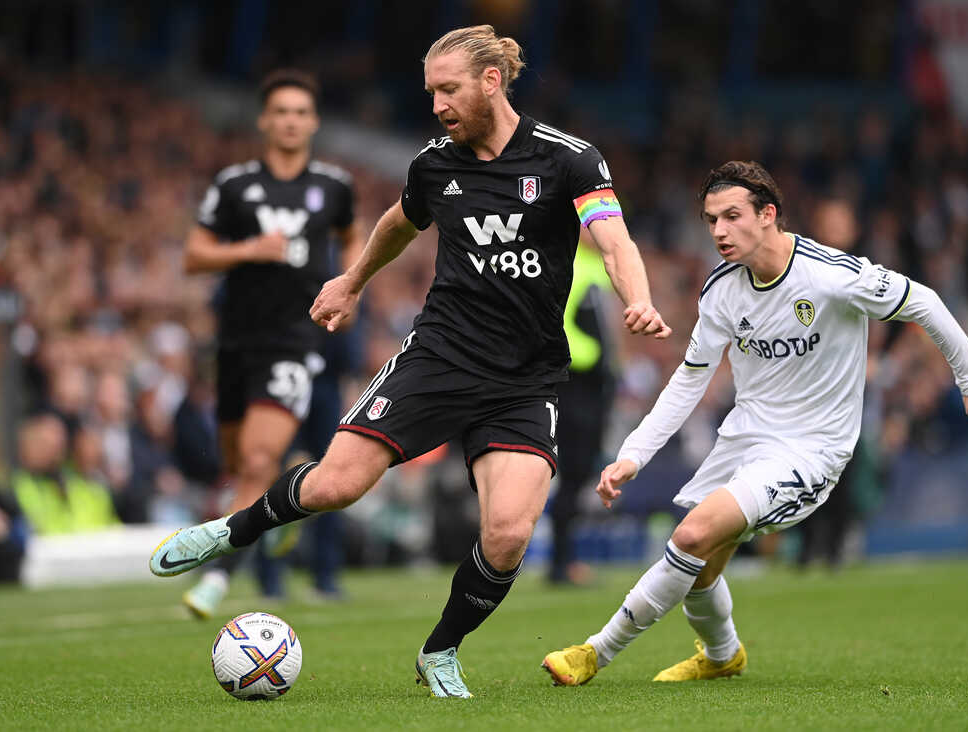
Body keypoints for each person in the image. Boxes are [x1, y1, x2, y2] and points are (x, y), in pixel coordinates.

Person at [151, 25, 672, 699]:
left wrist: (639, 300)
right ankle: (232, 531)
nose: (436, 104)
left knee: (509, 534)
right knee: (336, 486)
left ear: (491, 81)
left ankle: (440, 650)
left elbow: (613, 237)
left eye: (448, 89)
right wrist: (352, 281)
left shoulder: (568, 159)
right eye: (430, 92)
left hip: (525, 377)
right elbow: (399, 221)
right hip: (440, 356)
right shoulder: (435, 165)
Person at [541, 161, 968, 686]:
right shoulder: (720, 290)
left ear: (768, 214)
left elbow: (924, 302)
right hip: (745, 441)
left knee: (691, 535)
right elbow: (690, 380)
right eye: (711, 219)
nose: (718, 231)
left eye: (732, 216)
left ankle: (594, 653)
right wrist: (633, 454)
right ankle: (723, 655)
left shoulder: (833, 275)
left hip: (811, 450)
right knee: (700, 565)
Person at [178, 68, 362, 618]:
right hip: (235, 341)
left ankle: (216, 578)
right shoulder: (234, 184)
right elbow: (193, 255)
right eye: (280, 111)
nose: (290, 121)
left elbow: (352, 236)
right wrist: (249, 250)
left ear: (314, 122)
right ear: (264, 120)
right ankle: (287, 506)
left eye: (300, 112)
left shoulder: (334, 185)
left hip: (295, 339)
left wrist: (350, 286)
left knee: (258, 458)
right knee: (239, 464)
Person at [548, 231, 617, 585]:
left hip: (591, 386)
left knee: (577, 476)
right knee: (571, 474)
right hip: (575, 384)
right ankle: (560, 563)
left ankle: (566, 560)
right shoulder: (570, 263)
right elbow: (562, 327)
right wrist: (595, 357)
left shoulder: (597, 268)